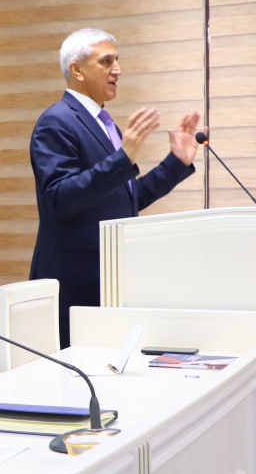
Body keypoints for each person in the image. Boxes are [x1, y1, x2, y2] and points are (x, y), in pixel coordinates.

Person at [29, 28, 201, 348]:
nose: (117, 70)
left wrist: (176, 162)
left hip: (111, 283)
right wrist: (123, 159)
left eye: (117, 61)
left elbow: (125, 199)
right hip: (75, 290)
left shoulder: (104, 124)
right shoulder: (57, 122)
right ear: (77, 70)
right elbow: (60, 198)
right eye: (106, 61)